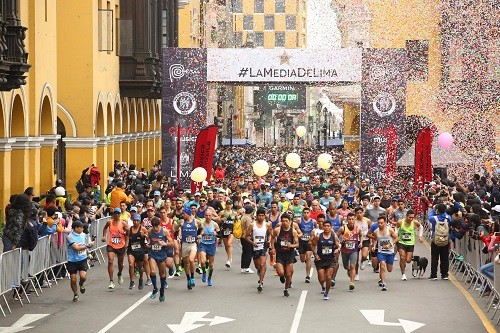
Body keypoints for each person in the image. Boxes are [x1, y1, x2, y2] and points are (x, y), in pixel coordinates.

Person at [310, 219, 340, 300]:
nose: (326, 228)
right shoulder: (318, 236)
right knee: (322, 278)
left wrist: (337, 250)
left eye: (328, 226)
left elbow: (338, 245)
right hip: (320, 260)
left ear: (331, 227)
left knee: (329, 277)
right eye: (325, 226)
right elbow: (312, 245)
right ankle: (323, 286)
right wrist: (315, 254)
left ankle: (326, 293)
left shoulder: (334, 236)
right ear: (322, 227)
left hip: (330, 260)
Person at [270, 214, 299, 297]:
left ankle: (286, 289)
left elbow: (297, 244)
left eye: (286, 221)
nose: (284, 223)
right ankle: (282, 276)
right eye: (283, 221)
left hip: (289, 254)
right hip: (280, 254)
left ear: (290, 222)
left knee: (289, 274)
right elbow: (272, 238)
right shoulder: (277, 230)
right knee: (280, 272)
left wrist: (291, 245)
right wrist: (272, 248)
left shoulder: (293, 231)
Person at [245, 207, 272, 293]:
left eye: (262, 216)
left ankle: (261, 282)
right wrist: (253, 243)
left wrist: (268, 240)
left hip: (263, 247)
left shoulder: (267, 225)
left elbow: (270, 234)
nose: (261, 217)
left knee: (262, 263)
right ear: (257, 216)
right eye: (259, 215)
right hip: (255, 247)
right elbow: (246, 236)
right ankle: (259, 272)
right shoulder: (252, 225)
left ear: (264, 216)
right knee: (258, 266)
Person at [147, 217, 174, 302]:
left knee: (162, 275)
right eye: (153, 226)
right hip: (153, 254)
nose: (155, 228)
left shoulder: (164, 231)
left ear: (159, 225)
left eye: (157, 226)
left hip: (162, 255)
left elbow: (171, 243)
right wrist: (148, 244)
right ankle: (155, 288)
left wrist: (164, 243)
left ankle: (162, 290)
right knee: (153, 271)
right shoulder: (150, 232)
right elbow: (148, 241)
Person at [66, 221, 94, 302]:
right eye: (81, 227)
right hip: (72, 260)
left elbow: (85, 245)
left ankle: (81, 284)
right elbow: (77, 248)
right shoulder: (70, 237)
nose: (82, 229)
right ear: (76, 228)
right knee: (73, 279)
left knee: (83, 277)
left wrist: (88, 252)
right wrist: (88, 245)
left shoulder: (84, 235)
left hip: (82, 259)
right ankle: (75, 294)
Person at [102, 207, 129, 289]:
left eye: (118, 213)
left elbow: (128, 232)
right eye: (115, 213)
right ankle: (111, 281)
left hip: (121, 245)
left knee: (120, 264)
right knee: (110, 261)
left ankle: (119, 274)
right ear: (113, 214)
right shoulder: (109, 222)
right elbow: (105, 228)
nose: (116, 215)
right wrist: (104, 236)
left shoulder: (123, 223)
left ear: (120, 214)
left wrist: (124, 237)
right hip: (111, 244)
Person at [372, 216, 399, 291]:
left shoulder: (389, 230)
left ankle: (382, 277)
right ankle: (384, 283)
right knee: (382, 264)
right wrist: (374, 246)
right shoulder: (376, 231)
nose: (380, 224)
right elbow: (375, 239)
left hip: (390, 252)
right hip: (381, 252)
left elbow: (397, 238)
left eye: (381, 223)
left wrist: (390, 244)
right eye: (378, 223)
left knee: (389, 269)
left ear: (385, 223)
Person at [396, 209, 423, 280]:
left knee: (408, 260)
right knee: (402, 257)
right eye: (410, 217)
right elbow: (396, 228)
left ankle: (414, 260)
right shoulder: (400, 222)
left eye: (412, 217)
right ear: (406, 216)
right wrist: (396, 236)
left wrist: (420, 236)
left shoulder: (414, 222)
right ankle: (403, 274)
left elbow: (421, 227)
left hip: (410, 243)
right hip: (401, 242)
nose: (411, 219)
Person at [427, 203, 452, 280]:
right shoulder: (448, 218)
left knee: (434, 257)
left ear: (438, 210)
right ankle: (444, 274)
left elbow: (429, 217)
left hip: (436, 239)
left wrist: (434, 210)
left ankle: (433, 274)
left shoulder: (434, 218)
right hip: (445, 239)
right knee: (444, 257)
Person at [337, 213, 361, 290]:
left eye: (352, 219)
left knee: (353, 266)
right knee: (345, 266)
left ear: (354, 220)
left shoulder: (357, 229)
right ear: (347, 220)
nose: (351, 221)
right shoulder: (342, 228)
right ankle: (348, 270)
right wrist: (341, 241)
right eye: (349, 219)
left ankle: (351, 282)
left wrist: (361, 242)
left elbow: (361, 235)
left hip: (354, 250)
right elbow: (335, 237)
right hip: (344, 250)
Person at [179, 207, 200, 290]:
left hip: (193, 244)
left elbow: (202, 228)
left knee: (191, 260)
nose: (182, 215)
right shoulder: (181, 222)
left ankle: (192, 278)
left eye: (184, 214)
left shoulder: (196, 221)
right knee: (186, 263)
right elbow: (174, 228)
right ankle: (188, 279)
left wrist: (200, 235)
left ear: (188, 213)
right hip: (184, 244)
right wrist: (178, 235)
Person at [198, 209, 220, 286]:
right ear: (204, 216)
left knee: (211, 265)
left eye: (209, 215)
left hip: (211, 245)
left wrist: (216, 233)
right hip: (203, 244)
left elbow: (220, 234)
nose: (208, 217)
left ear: (212, 216)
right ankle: (204, 272)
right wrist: (200, 235)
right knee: (203, 261)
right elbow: (198, 232)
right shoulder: (201, 224)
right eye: (206, 215)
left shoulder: (215, 224)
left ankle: (209, 278)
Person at [127, 214, 148, 290]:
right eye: (134, 220)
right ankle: (132, 281)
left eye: (137, 221)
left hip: (140, 251)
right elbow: (126, 236)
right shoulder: (129, 229)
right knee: (131, 264)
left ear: (140, 221)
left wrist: (145, 236)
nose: (135, 222)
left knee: (140, 268)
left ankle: (141, 279)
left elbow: (148, 238)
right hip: (131, 250)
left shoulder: (143, 229)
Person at [297, 207, 316, 283]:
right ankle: (306, 261)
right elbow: (295, 228)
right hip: (301, 242)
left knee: (308, 257)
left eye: (307, 212)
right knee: (302, 259)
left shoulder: (313, 221)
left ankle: (307, 276)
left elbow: (316, 230)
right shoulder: (299, 220)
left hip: (309, 242)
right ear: (302, 213)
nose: (306, 214)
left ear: (310, 213)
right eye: (304, 212)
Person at [219, 199, 237, 268]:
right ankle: (229, 257)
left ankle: (229, 260)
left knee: (229, 244)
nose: (228, 205)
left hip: (231, 231)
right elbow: (218, 220)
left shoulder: (234, 213)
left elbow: (237, 220)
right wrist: (221, 219)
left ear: (232, 205)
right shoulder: (222, 212)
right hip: (224, 230)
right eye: (227, 204)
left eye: (230, 204)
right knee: (226, 246)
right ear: (225, 205)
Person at [240, 205, 255, 274]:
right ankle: (246, 267)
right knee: (248, 253)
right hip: (247, 237)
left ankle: (243, 267)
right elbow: (250, 228)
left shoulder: (243, 217)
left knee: (245, 252)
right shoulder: (248, 218)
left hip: (242, 236)